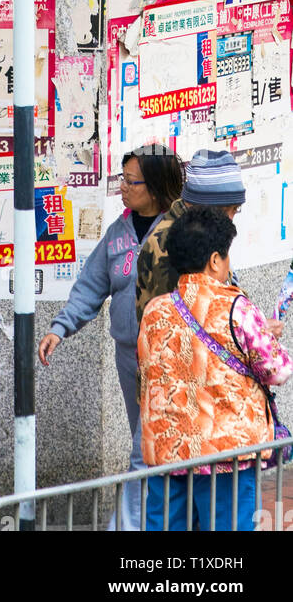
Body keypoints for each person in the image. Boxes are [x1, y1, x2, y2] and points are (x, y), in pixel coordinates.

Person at [37, 143, 182, 529]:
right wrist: (59, 328)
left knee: (142, 448)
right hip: (128, 356)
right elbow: (90, 286)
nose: (122, 187)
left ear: (154, 187)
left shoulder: (180, 231)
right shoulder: (118, 233)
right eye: (121, 178)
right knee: (153, 444)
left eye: (130, 181)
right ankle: (169, 518)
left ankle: (128, 526)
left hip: (169, 358)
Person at [139, 207, 293, 531]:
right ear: (214, 260)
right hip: (226, 454)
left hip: (168, 451)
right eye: (226, 257)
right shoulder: (236, 306)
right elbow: (276, 369)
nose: (228, 266)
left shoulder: (154, 311)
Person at [135, 148, 245, 324]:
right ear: (198, 204)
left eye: (235, 209)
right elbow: (187, 326)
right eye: (225, 210)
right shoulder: (171, 245)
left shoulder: (205, 231)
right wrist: (249, 333)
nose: (230, 219)